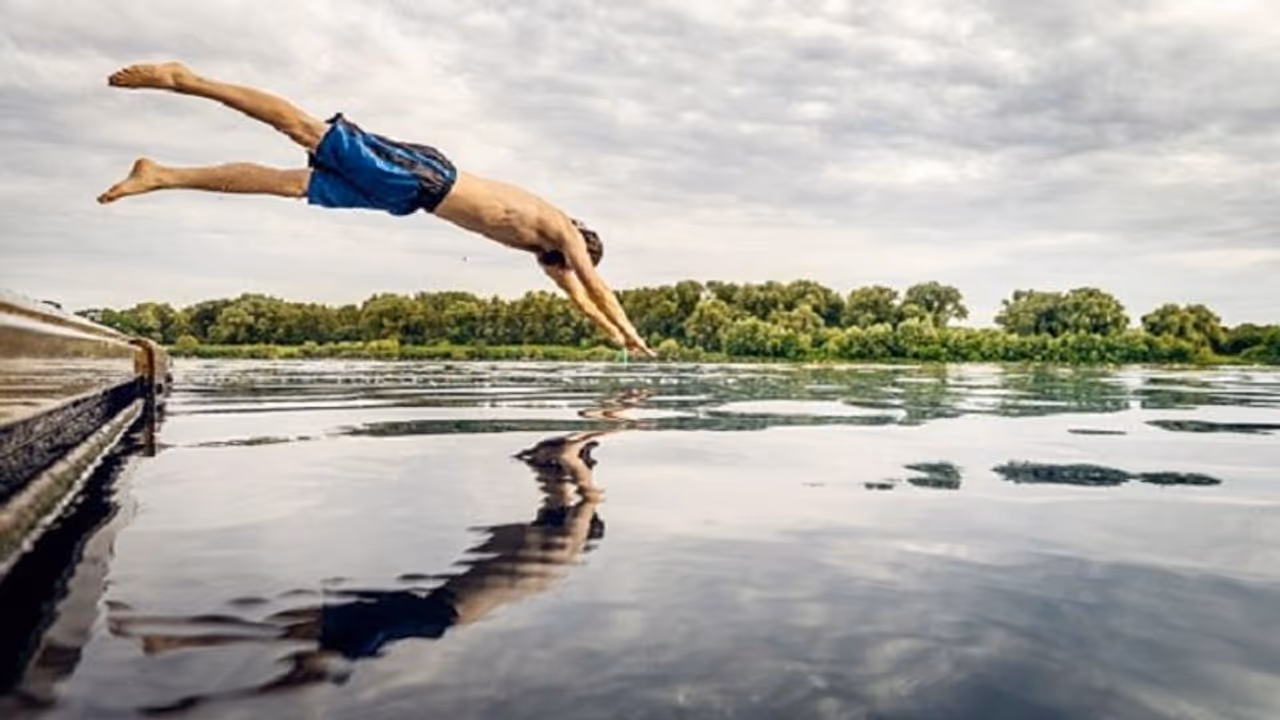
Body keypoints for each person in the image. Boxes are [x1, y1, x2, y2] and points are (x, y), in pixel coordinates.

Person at [97, 62, 655, 357]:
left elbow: (584, 301)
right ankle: (186, 80)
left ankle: (165, 176)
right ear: (575, 244)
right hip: (423, 176)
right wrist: (629, 328)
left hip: (408, 198)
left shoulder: (541, 248)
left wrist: (616, 337)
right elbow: (597, 289)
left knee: (291, 186)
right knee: (304, 130)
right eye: (565, 265)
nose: (561, 274)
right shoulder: (559, 226)